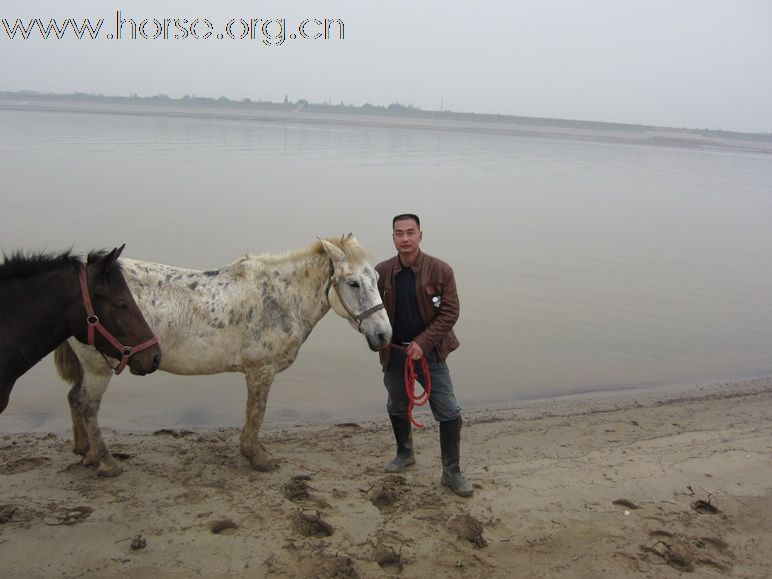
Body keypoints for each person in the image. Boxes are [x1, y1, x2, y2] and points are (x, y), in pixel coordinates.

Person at [375, 213, 473, 497]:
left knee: (448, 411)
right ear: (393, 238)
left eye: (410, 232)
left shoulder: (441, 270)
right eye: (399, 233)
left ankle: (452, 472)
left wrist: (423, 342)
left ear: (420, 235)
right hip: (395, 353)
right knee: (397, 405)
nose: (405, 238)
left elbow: (450, 312)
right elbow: (368, 309)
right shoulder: (380, 272)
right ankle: (405, 454)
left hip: (431, 354)